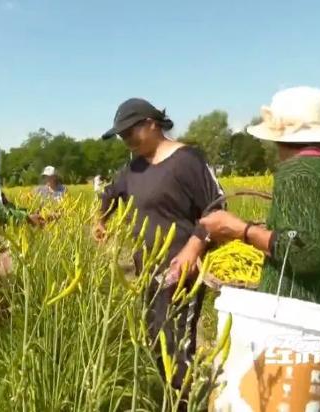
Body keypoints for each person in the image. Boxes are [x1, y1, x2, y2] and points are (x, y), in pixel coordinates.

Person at [199, 87, 320, 411]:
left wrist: (240, 230)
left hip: (301, 332)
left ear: (277, 138)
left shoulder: (297, 173)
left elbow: (308, 253)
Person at [94, 97, 223, 400]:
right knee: (154, 343)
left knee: (177, 351)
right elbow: (111, 194)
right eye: (121, 136)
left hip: (182, 273)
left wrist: (193, 247)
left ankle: (188, 404)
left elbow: (217, 208)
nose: (126, 141)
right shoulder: (134, 168)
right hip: (146, 271)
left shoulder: (188, 160)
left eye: (129, 133)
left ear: (151, 124)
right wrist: (99, 219)